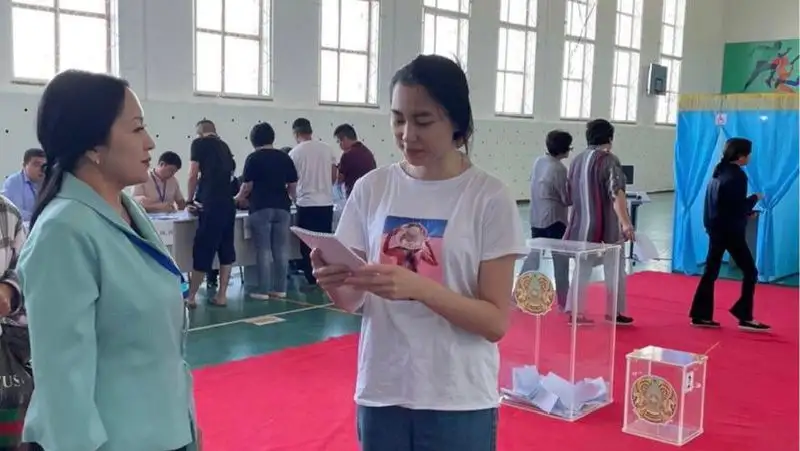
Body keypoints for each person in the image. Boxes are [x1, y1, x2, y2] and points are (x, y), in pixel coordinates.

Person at [311, 54, 525, 451]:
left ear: (456, 122)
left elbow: (495, 322)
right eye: (398, 119)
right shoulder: (373, 188)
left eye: (423, 121)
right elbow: (353, 300)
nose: (407, 134)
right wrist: (332, 279)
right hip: (383, 392)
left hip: (458, 399)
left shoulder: (489, 197)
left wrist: (420, 289)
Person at [16, 70, 199, 450]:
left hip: (166, 431)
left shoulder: (128, 210)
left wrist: (187, 425)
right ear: (92, 145)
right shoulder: (64, 231)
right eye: (136, 128)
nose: (150, 142)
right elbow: (62, 384)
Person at [689, 138, 770, 331]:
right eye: (748, 154)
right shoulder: (738, 176)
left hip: (716, 228)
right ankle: (745, 315)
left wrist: (744, 213)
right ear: (741, 157)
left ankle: (700, 314)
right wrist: (755, 198)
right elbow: (738, 205)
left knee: (710, 272)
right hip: (730, 232)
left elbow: (723, 204)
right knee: (750, 271)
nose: (750, 157)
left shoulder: (719, 172)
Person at [563, 119, 634, 325]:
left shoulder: (576, 161)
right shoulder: (609, 160)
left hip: (581, 226)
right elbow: (616, 193)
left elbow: (568, 195)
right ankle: (614, 312)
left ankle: (575, 312)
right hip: (607, 227)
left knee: (581, 270)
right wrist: (625, 223)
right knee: (615, 269)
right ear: (610, 138)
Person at [235, 122, 298, 299]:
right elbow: (293, 185)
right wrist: (289, 197)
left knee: (263, 249)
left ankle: (263, 290)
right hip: (283, 207)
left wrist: (237, 198)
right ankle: (280, 289)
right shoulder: (284, 157)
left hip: (260, 206)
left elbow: (247, 186)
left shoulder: (253, 158)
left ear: (253, 140)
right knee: (281, 249)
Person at [186, 119, 237, 307]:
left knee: (204, 249)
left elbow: (192, 174)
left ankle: (191, 297)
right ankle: (221, 295)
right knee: (226, 249)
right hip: (228, 203)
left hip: (210, 203)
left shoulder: (199, 144)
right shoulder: (225, 147)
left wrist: (189, 200)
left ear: (199, 133)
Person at [525, 130, 572, 311]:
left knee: (533, 257)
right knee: (561, 262)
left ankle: (519, 295)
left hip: (536, 217)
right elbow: (566, 198)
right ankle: (564, 302)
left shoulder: (539, 161)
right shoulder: (559, 169)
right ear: (565, 148)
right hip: (554, 220)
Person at [289, 118, 338, 286]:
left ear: (296, 133)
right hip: (326, 202)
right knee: (324, 241)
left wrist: (294, 197)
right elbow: (334, 176)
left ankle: (311, 276)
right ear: (310, 131)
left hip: (306, 203)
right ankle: (325, 274)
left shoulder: (295, 153)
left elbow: (292, 181)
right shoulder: (327, 149)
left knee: (307, 243)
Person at [2, 148, 46, 222]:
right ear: (24, 165)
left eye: (44, 166)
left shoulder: (49, 182)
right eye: (36, 164)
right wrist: (38, 217)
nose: (41, 169)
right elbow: (14, 211)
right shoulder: (13, 182)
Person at [333, 124, 377, 197]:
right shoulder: (367, 152)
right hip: (371, 194)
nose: (339, 145)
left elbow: (339, 180)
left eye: (338, 141)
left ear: (344, 139)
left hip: (354, 196)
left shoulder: (347, 155)